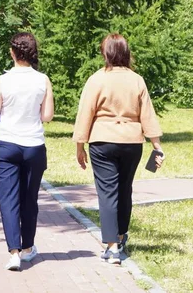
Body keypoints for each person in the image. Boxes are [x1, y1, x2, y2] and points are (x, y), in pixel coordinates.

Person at [72, 33, 164, 265]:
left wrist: (79, 145)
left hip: (102, 141)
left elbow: (86, 113)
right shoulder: (137, 80)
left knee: (108, 192)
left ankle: (112, 247)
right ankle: (121, 237)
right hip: (132, 142)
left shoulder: (97, 79)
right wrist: (156, 145)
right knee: (124, 190)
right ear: (126, 53)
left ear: (106, 53)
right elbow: (147, 114)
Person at [0, 32, 54, 271]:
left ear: (12, 53)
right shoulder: (43, 80)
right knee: (29, 198)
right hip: (34, 145)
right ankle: (28, 248)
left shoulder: (3, 80)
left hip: (6, 144)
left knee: (8, 199)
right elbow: (47, 115)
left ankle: (13, 252)